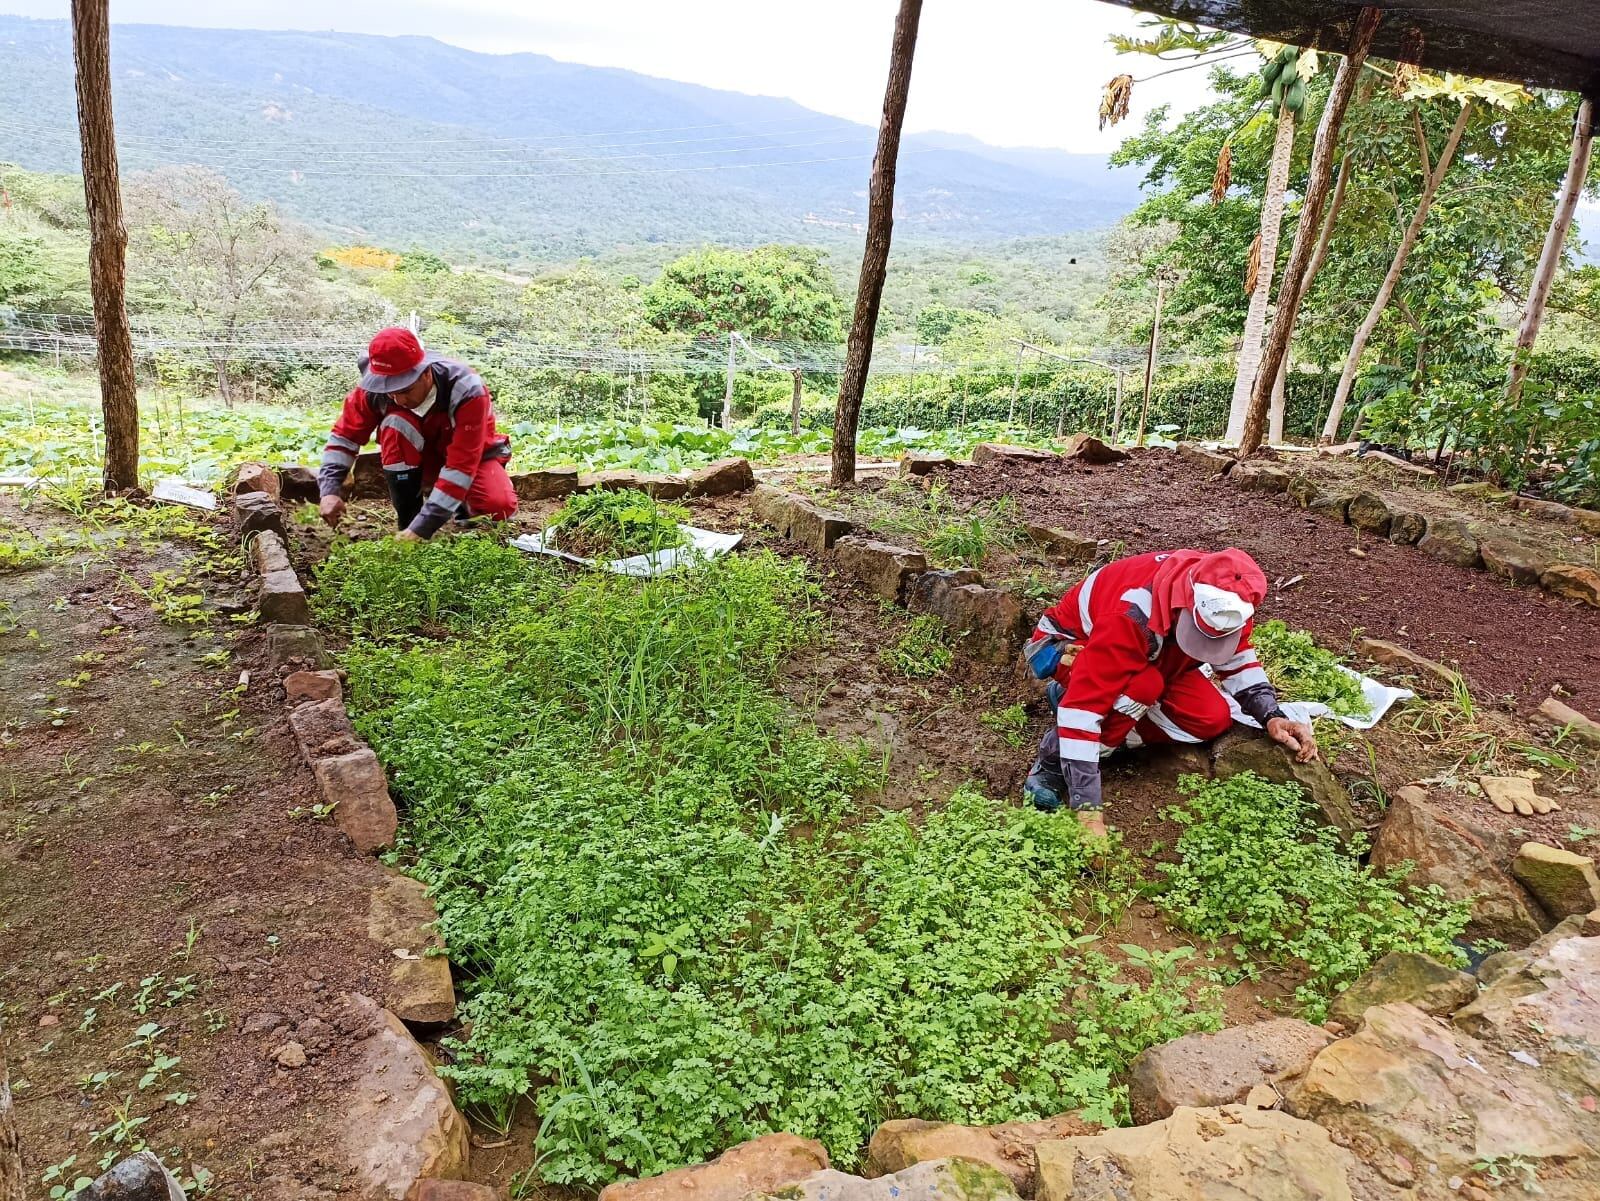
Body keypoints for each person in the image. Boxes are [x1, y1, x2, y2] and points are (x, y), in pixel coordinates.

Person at [1022, 547, 1317, 838]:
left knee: (1210, 718)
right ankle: (1055, 758)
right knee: (1142, 687)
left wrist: (1271, 714)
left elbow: (1237, 656)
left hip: (1157, 650)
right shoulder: (1131, 614)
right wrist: (1088, 812)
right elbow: (1082, 711)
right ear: (1186, 602)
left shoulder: (1235, 595)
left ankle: (1097, 727)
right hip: (1072, 646)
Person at [317, 327, 517, 541]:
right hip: (418, 461)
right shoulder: (374, 389)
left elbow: (462, 464)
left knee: (497, 506)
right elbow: (344, 438)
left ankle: (456, 507)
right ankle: (409, 520)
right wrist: (329, 490)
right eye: (389, 391)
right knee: (396, 425)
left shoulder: (467, 389)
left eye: (405, 390)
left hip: (471, 459)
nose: (398, 400)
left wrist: (424, 528)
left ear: (426, 373)